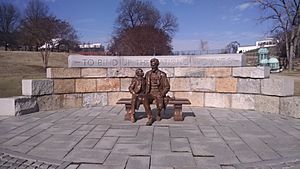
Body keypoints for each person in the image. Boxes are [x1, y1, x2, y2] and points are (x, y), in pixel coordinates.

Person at [143, 58, 170, 125]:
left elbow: (167, 86)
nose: (153, 67)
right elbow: (143, 84)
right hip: (150, 93)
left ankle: (158, 114)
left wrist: (162, 94)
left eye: (154, 65)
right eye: (151, 65)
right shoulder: (147, 74)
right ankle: (150, 117)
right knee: (144, 98)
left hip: (159, 93)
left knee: (160, 105)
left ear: (157, 65)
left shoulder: (162, 74)